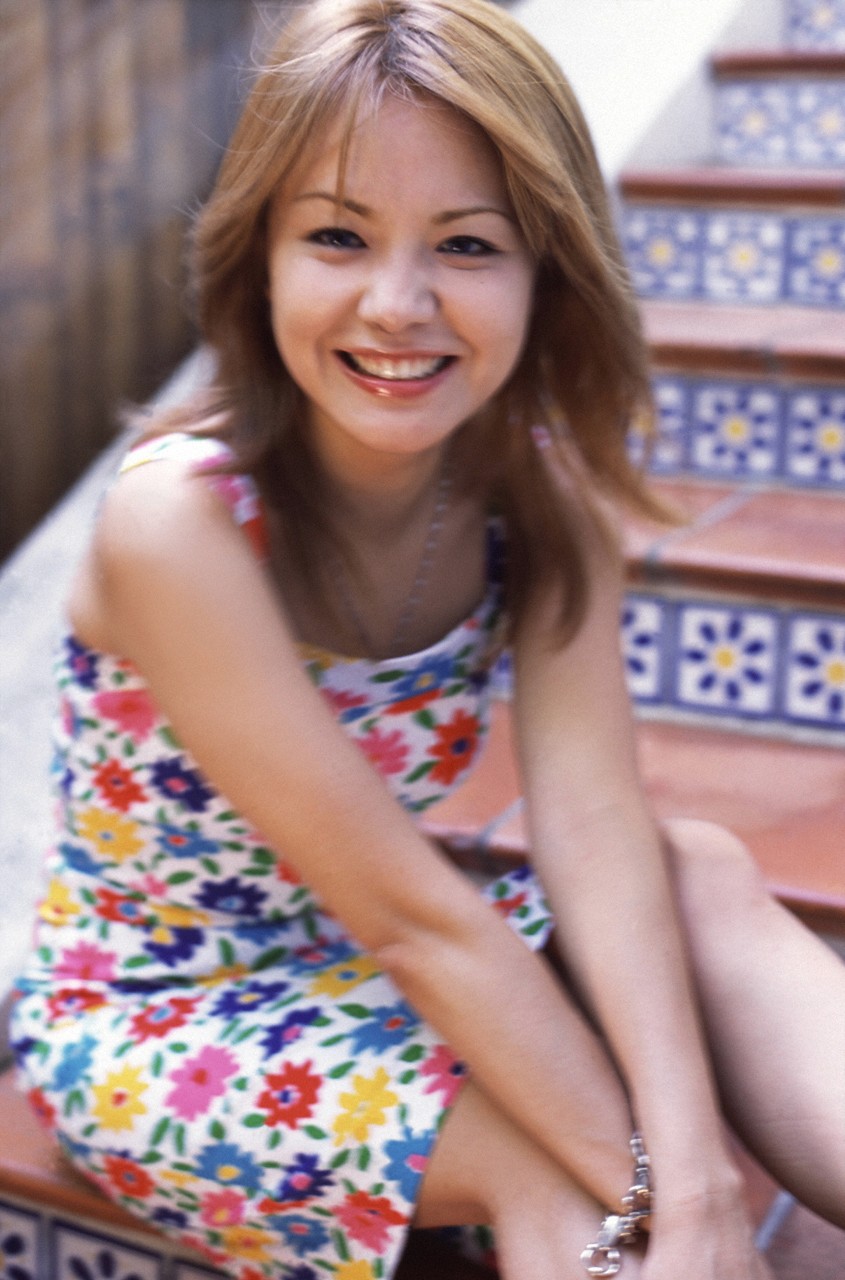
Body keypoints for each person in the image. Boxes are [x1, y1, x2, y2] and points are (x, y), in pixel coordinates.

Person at [10, 1, 844, 1277]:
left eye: (464, 244)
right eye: (337, 236)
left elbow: (591, 827)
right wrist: (662, 1189)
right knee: (536, 1148)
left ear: (545, 272)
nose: (396, 303)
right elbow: (412, 915)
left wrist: (700, 1185)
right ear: (260, 260)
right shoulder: (179, 523)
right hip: (160, 1020)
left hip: (375, 964)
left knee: (694, 869)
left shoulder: (533, 499)